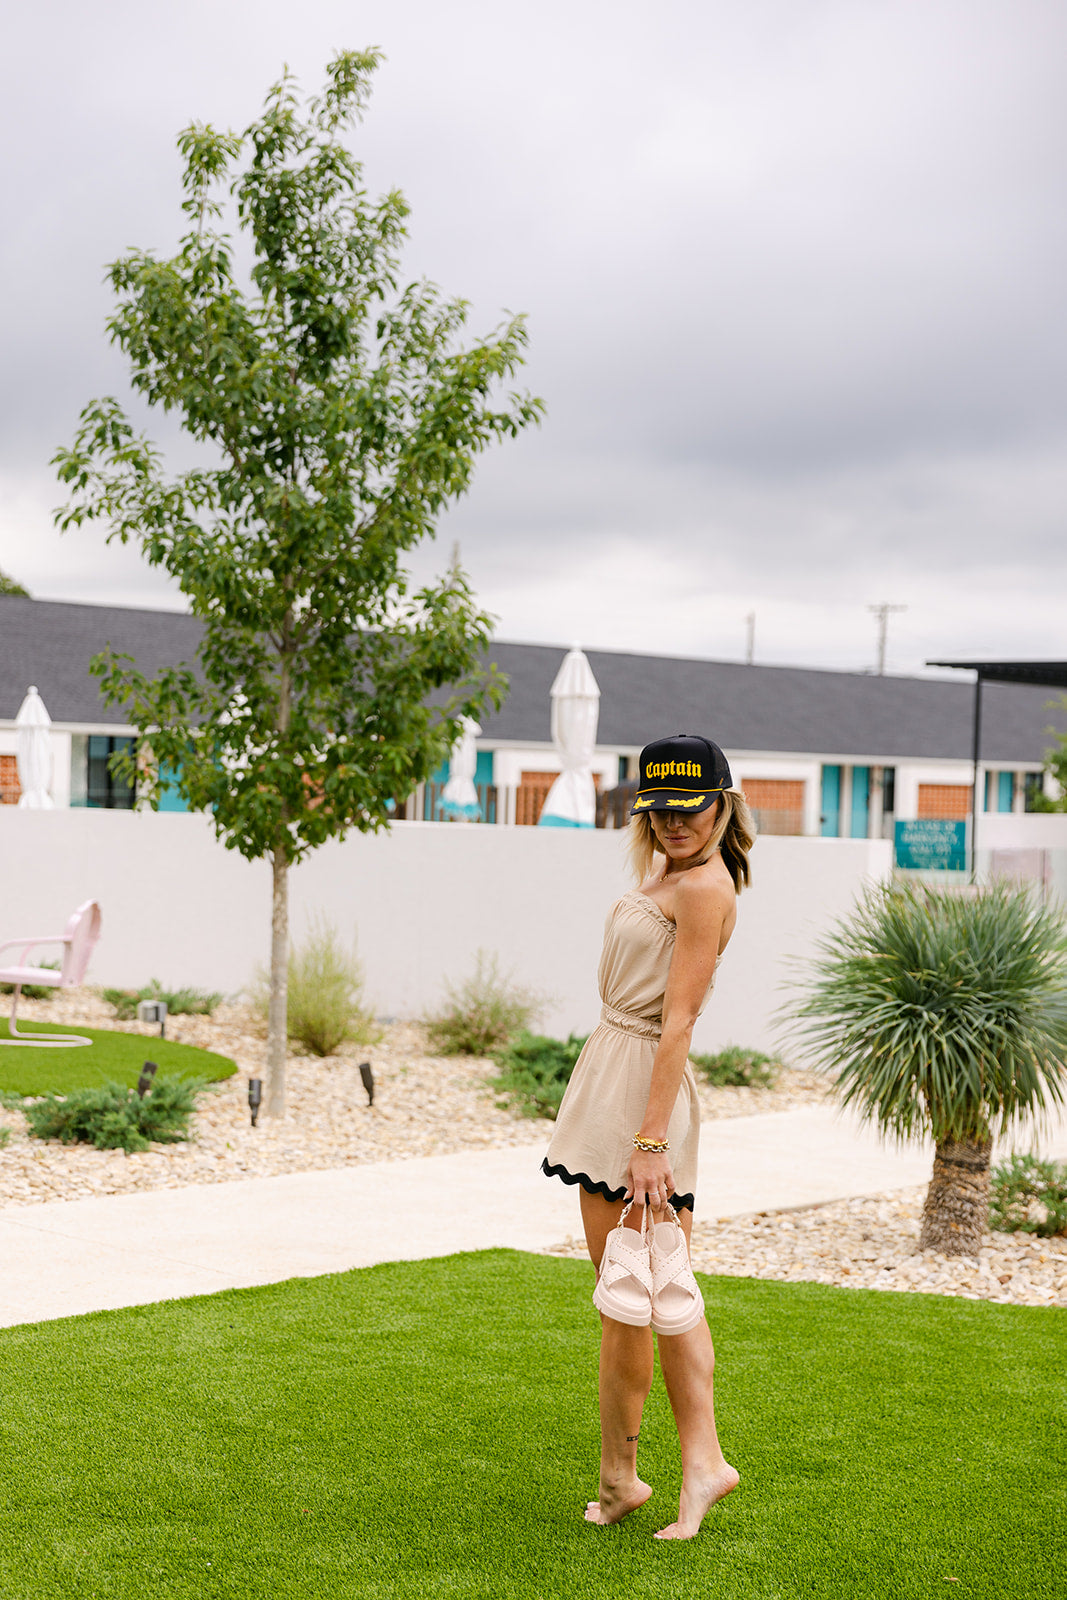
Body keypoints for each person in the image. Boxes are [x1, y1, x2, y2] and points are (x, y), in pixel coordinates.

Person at [542, 733, 755, 1541]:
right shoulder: (669, 874)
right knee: (630, 1294)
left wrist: (651, 1142)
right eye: (659, 807)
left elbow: (680, 1022)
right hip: (612, 1075)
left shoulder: (704, 888)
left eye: (689, 806)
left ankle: (684, 1466)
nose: (673, 821)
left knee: (647, 1290)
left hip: (643, 1095)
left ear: (722, 804)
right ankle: (630, 1475)